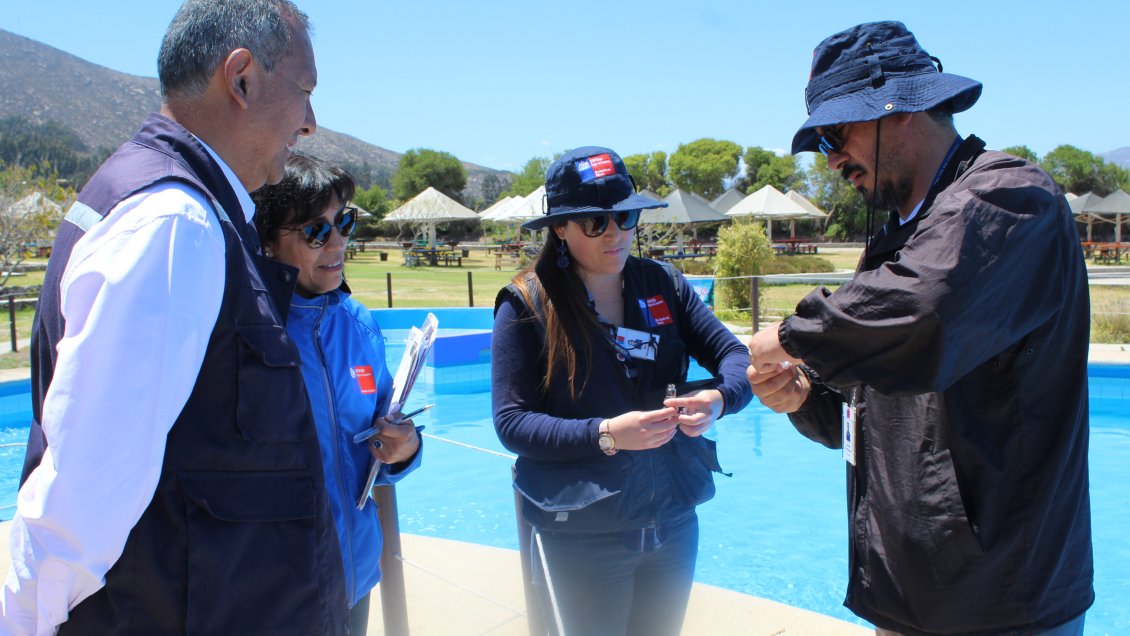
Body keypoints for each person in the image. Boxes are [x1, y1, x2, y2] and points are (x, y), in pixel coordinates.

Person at [2, 1, 353, 633]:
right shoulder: (173, 222)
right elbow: (83, 495)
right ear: (241, 78)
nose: (310, 123)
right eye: (304, 92)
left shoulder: (187, 210)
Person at [745, 21, 1093, 636]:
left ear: (899, 108)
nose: (831, 159)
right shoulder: (894, 239)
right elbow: (865, 412)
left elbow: (924, 313)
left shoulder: (1012, 200)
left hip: (1001, 604)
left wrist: (793, 335)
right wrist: (802, 395)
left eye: (837, 132)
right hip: (909, 598)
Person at [492, 146, 752, 636]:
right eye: (594, 221)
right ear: (560, 228)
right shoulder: (526, 303)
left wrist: (718, 400)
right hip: (583, 536)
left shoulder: (663, 284)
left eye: (625, 216)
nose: (615, 233)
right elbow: (512, 423)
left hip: (673, 523)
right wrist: (607, 434)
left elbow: (735, 358)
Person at [251, 154, 423, 636]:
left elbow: (384, 431)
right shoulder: (248, 336)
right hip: (280, 592)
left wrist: (406, 448)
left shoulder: (358, 323)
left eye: (343, 222)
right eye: (315, 231)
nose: (338, 241)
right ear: (267, 240)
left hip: (357, 575)